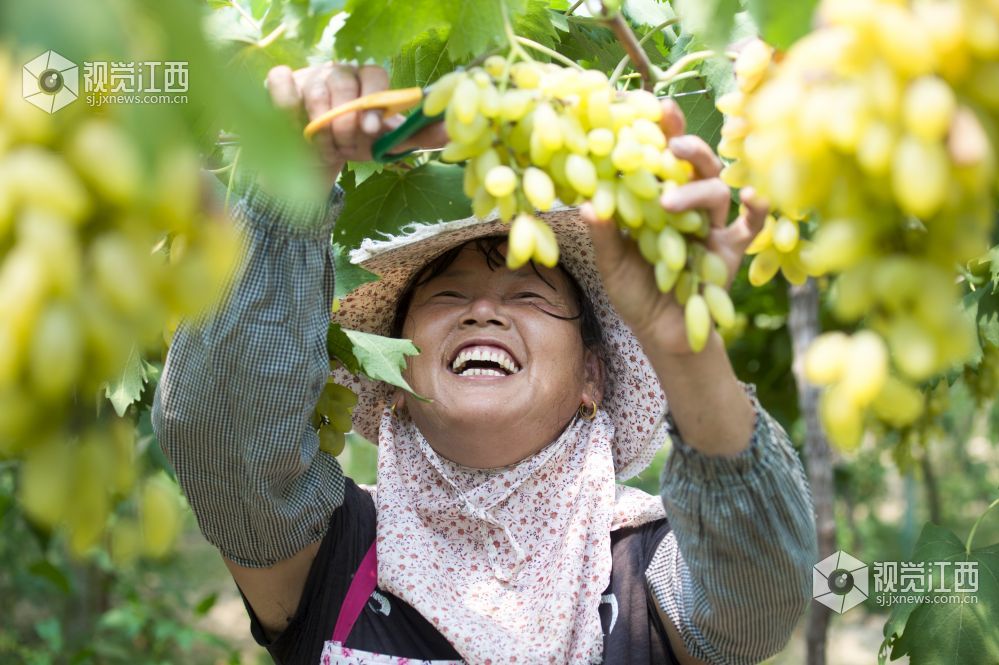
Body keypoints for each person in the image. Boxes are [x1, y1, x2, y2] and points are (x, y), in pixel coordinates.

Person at [152, 62, 817, 665]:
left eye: (528, 293)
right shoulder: (331, 549)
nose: (481, 311)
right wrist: (289, 182)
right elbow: (224, 433)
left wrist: (686, 350)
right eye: (446, 295)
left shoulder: (647, 568)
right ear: (398, 385)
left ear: (594, 376)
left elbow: (757, 601)